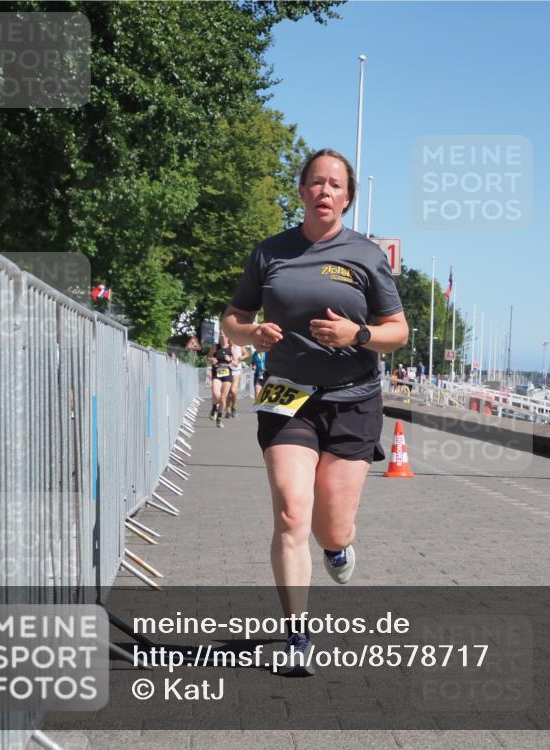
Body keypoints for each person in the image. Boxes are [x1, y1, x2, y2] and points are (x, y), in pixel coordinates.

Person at [221, 148, 408, 675]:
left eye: (336, 185)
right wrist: (249, 333)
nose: (325, 191)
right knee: (290, 512)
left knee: (332, 527)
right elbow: (232, 318)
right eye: (316, 183)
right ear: (301, 190)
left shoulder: (366, 256)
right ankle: (296, 634)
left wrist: (360, 334)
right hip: (287, 396)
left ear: (347, 198)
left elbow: (399, 332)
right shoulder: (271, 252)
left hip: (353, 399)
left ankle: (338, 550)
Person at [206, 334, 235, 428]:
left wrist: (230, 360)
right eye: (220, 336)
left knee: (223, 398)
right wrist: (212, 360)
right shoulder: (215, 347)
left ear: (228, 337)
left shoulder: (231, 348)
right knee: (215, 394)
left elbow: (236, 363)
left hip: (227, 375)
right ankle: (214, 408)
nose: (222, 338)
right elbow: (207, 358)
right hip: (217, 373)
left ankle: (219, 419)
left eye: (224, 336)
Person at [226, 343, 245, 417]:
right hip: (227, 370)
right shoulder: (225, 346)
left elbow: (247, 354)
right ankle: (228, 410)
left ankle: (233, 407)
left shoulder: (239, 344)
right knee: (227, 392)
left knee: (233, 391)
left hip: (237, 370)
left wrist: (242, 357)